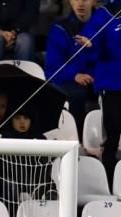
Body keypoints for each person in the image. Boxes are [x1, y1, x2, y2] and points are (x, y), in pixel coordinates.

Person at [80, 2, 121, 181]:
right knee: (112, 138)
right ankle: (111, 185)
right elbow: (91, 43)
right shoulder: (105, 13)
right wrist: (90, 45)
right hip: (112, 83)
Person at [44, 0, 97, 132]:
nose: (80, 3)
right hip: (70, 81)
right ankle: (78, 142)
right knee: (76, 94)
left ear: (94, 1)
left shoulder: (108, 26)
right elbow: (52, 67)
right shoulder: (60, 28)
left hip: (101, 78)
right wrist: (75, 75)